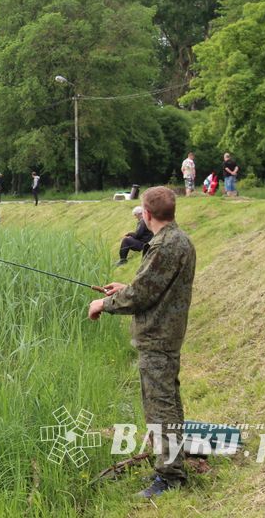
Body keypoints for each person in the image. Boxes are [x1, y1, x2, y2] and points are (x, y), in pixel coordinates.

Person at [87, 186, 196, 499]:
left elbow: (140, 296)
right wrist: (125, 287)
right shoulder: (181, 240)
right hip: (167, 333)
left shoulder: (164, 245)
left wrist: (103, 304)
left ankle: (170, 477)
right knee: (167, 402)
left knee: (160, 407)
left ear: (146, 214)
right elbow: (154, 285)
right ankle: (171, 464)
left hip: (158, 336)